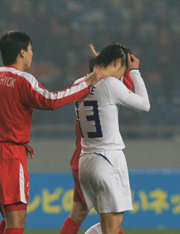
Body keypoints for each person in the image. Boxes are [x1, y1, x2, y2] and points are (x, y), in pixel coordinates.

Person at [0, 30, 106, 234]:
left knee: (11, 221)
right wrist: (87, 82)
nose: (32, 54)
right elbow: (50, 101)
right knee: (16, 222)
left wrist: (11, 134)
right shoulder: (23, 79)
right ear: (22, 52)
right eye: (31, 50)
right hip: (8, 156)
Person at [76, 43, 150, 234]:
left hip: (86, 160)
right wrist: (135, 72)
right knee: (112, 227)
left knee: (108, 226)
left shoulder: (79, 83)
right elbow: (144, 105)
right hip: (107, 158)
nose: (122, 74)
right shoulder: (110, 84)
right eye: (123, 68)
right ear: (118, 62)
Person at [60, 44, 134, 234]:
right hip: (99, 157)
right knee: (109, 218)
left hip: (82, 158)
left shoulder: (82, 91)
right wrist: (127, 70)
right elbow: (128, 92)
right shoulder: (106, 91)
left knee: (87, 214)